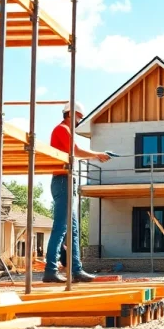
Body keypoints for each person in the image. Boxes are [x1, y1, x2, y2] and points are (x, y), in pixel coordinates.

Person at [43, 101, 111, 283]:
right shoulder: (62, 130)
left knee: (73, 229)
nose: (80, 121)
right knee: (61, 227)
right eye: (79, 117)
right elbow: (76, 151)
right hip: (62, 180)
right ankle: (50, 269)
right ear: (70, 114)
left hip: (66, 181)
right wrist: (97, 154)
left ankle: (76, 270)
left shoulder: (66, 131)